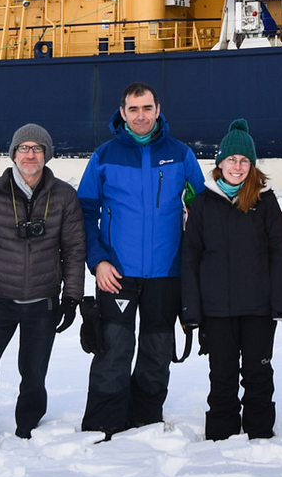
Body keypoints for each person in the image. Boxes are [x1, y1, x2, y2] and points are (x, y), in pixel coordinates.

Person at [77, 82, 206, 437]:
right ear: (122, 113)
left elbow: (201, 209)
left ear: (158, 109)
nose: (141, 116)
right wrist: (98, 262)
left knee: (156, 351)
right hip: (116, 273)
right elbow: (85, 212)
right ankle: (103, 423)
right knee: (113, 351)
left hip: (166, 272)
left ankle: (144, 421)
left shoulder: (180, 155)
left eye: (147, 108)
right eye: (133, 110)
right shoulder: (105, 156)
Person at [0, 123, 85, 449]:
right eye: (24, 148)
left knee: (33, 376)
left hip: (42, 302)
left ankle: (28, 427)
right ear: (14, 154)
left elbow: (74, 250)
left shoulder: (64, 196)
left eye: (37, 149)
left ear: (47, 155)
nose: (31, 155)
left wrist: (71, 299)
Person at [181, 119, 282, 440]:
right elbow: (191, 257)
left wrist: (281, 303)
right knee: (222, 374)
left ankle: (259, 432)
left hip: (258, 307)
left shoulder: (265, 201)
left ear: (252, 165)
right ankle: (220, 433)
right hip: (217, 309)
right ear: (220, 163)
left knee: (258, 373)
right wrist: (191, 309)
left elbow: (280, 251)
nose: (238, 166)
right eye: (232, 159)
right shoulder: (203, 203)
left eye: (245, 161)